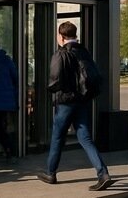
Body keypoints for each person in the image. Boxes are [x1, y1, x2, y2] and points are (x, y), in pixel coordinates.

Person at [37, 21, 114, 191]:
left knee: (58, 137)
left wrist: (50, 90)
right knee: (85, 138)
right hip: (82, 100)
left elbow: (55, 79)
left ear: (61, 36)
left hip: (66, 102)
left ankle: (50, 173)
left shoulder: (61, 53)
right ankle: (103, 173)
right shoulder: (84, 52)